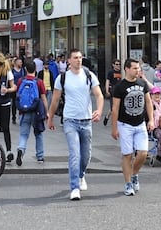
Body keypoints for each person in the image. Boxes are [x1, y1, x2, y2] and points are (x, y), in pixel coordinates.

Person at [47, 48, 103, 201]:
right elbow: (55, 100)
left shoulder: (89, 75)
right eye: (75, 58)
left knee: (86, 155)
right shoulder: (62, 78)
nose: (78, 60)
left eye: (80, 57)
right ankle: (74, 188)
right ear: (69, 61)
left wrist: (99, 110)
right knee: (74, 154)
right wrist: (50, 117)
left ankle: (81, 175)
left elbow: (99, 95)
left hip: (86, 120)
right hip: (70, 120)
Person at [111, 58, 155, 196]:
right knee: (127, 154)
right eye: (135, 68)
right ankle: (128, 183)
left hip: (140, 123)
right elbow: (115, 108)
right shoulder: (120, 87)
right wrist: (114, 128)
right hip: (125, 124)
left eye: (139, 68)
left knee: (143, 153)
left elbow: (148, 102)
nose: (138, 71)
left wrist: (151, 120)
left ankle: (134, 174)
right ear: (127, 69)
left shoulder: (142, 83)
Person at [14, 59, 46, 166]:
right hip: (36, 112)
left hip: (24, 111)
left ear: (25, 69)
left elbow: (18, 95)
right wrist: (47, 112)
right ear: (35, 69)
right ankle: (40, 156)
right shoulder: (39, 82)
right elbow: (43, 98)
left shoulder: (20, 81)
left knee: (23, 134)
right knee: (38, 134)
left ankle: (21, 150)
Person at [103, 59, 122, 126]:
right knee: (113, 107)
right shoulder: (111, 72)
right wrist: (107, 90)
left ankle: (109, 117)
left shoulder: (122, 72)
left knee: (118, 106)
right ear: (113, 65)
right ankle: (109, 118)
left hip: (120, 91)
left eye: (119, 64)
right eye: (116, 64)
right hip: (113, 91)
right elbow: (107, 81)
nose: (118, 66)